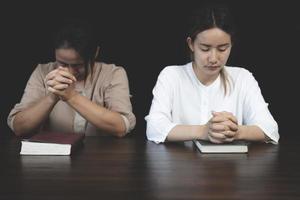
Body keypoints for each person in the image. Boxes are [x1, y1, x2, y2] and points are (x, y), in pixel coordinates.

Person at [145, 4, 279, 144]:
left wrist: (234, 131)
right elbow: (154, 127)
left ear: (231, 45)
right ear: (191, 44)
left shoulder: (242, 78)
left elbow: (270, 128)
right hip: (180, 164)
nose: (213, 58)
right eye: (205, 48)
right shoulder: (171, 76)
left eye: (222, 49)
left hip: (229, 165)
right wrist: (203, 131)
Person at [7, 19, 136, 137]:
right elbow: (19, 127)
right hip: (52, 158)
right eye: (62, 63)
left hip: (100, 158)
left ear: (95, 53)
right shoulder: (42, 71)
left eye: (77, 65)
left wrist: (71, 96)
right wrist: (53, 96)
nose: (69, 71)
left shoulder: (113, 74)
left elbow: (121, 127)